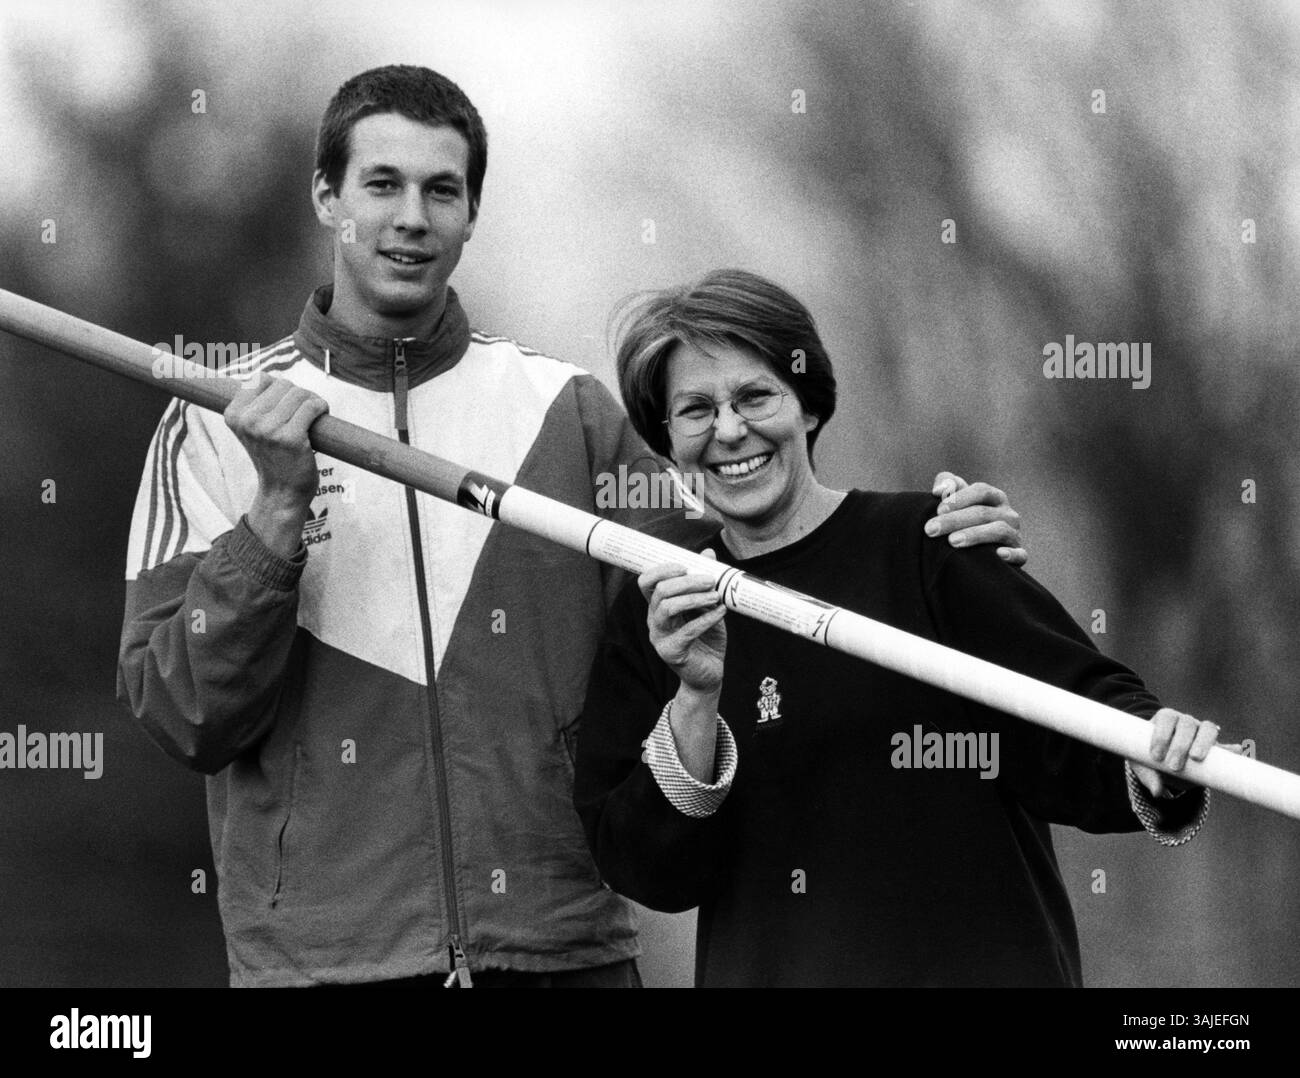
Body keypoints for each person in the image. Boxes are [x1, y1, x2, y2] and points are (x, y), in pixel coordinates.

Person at [117, 67, 1027, 987]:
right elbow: (186, 715)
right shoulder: (212, 423)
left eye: (443, 190)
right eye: (382, 184)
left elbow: (748, 583)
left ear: (473, 213)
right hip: (317, 966)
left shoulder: (568, 412)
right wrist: (275, 516)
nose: (412, 218)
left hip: (565, 954)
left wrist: (923, 545)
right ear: (328, 197)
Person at [573, 268, 1238, 988]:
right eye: (695, 410)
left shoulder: (930, 547)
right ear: (665, 438)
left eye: (755, 396)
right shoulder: (663, 610)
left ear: (810, 408)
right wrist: (695, 702)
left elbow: (1074, 720)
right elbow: (650, 870)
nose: (730, 430)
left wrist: (1149, 760)